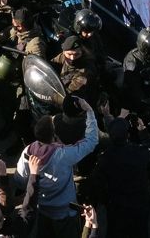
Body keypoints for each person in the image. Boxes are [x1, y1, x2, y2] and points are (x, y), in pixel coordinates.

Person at [14, 96, 99, 238]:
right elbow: (91, 141)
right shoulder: (63, 155)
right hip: (64, 212)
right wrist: (90, 111)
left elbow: (20, 181)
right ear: (53, 135)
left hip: (42, 209)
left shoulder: (27, 152)